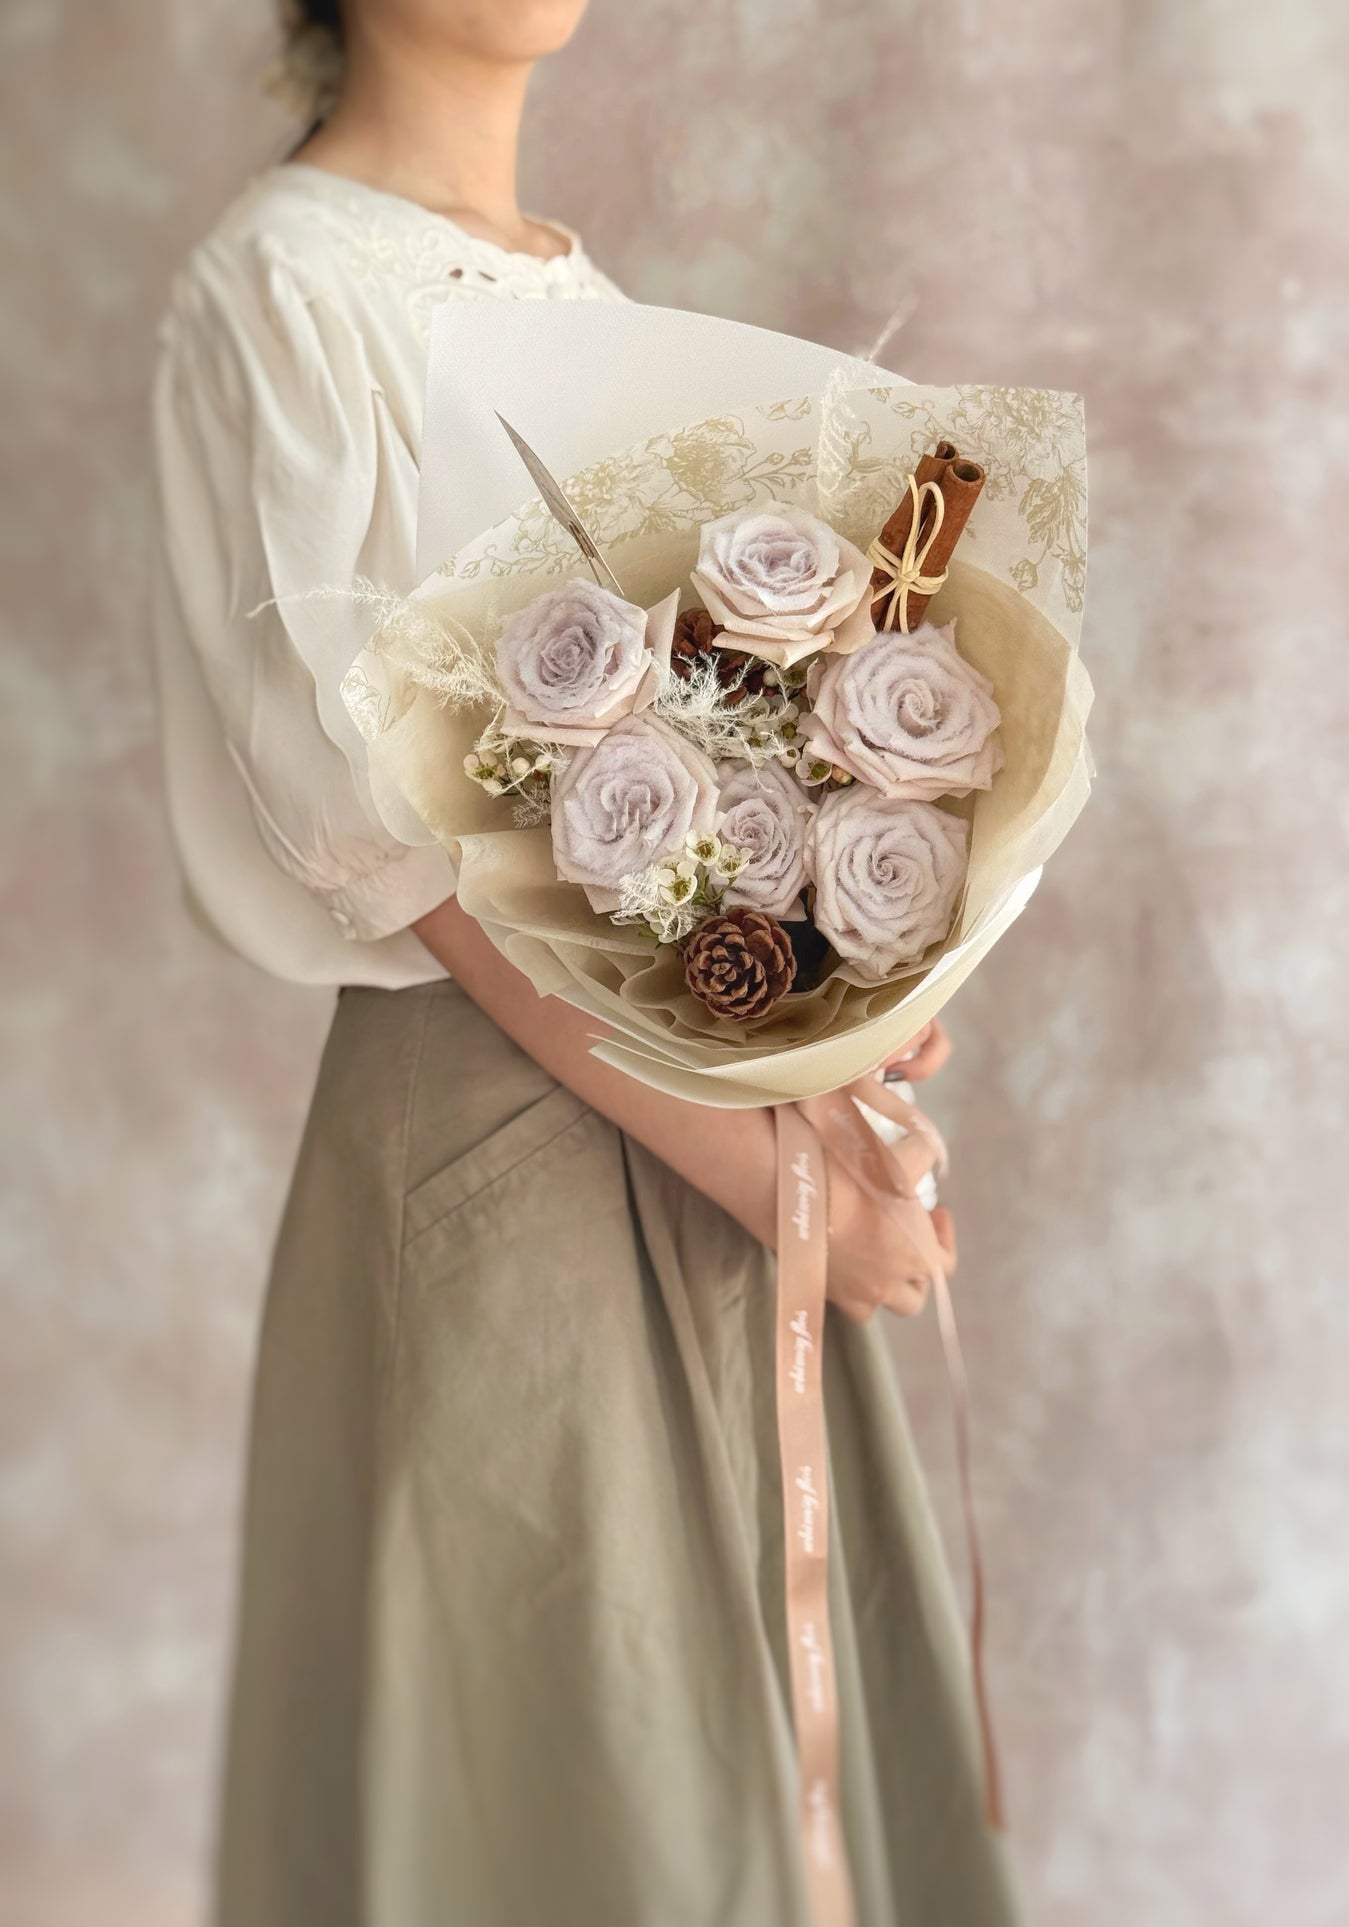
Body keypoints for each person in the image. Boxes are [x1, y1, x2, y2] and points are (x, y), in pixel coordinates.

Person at [151, 3, 1018, 1921]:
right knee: (580, 1784)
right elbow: (395, 842)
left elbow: (675, 783)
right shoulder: (280, 287)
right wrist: (768, 1171)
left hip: (704, 1124)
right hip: (504, 1146)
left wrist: (837, 988)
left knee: (735, 1750)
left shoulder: (574, 288)